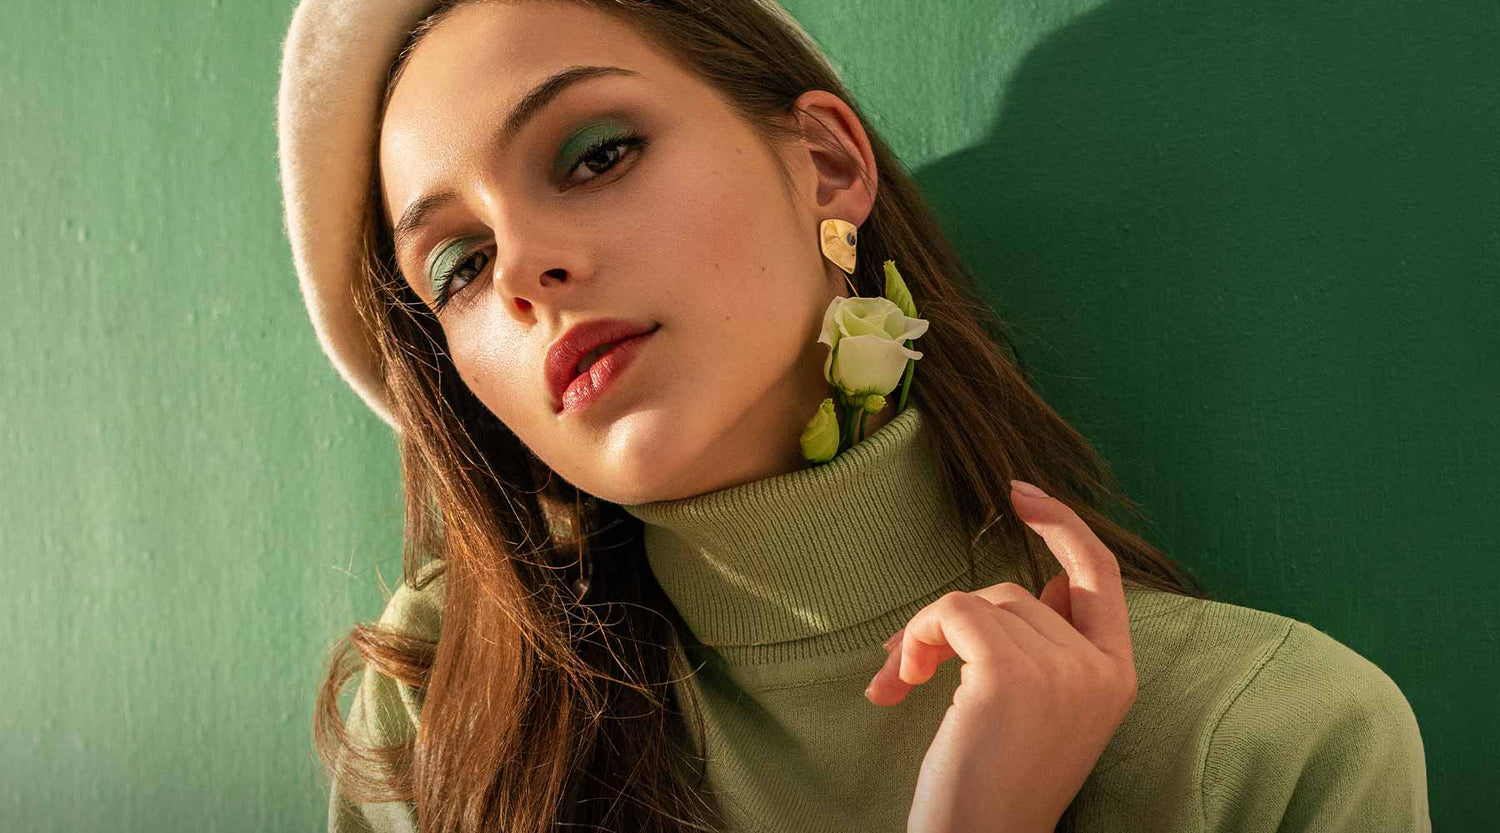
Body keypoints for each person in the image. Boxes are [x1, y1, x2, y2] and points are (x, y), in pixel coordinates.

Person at [275, 1, 1433, 831]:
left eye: (596, 153)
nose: (524, 267)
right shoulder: (446, 720)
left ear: (828, 163)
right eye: (460, 264)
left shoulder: (1262, 749)